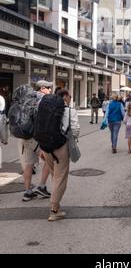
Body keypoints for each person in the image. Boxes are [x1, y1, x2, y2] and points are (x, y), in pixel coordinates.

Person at [43, 88, 80, 221]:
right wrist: (74, 139)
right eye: (69, 96)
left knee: (55, 176)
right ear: (65, 97)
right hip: (61, 147)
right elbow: (75, 129)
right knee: (61, 177)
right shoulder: (70, 111)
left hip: (46, 147)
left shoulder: (47, 109)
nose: (70, 98)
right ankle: (54, 210)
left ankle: (56, 203)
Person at [11, 81, 52, 202]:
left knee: (28, 164)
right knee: (49, 160)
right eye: (49, 87)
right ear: (42, 88)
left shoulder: (22, 99)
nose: (50, 90)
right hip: (35, 137)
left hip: (22, 137)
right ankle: (42, 186)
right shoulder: (42, 99)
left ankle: (27, 192)